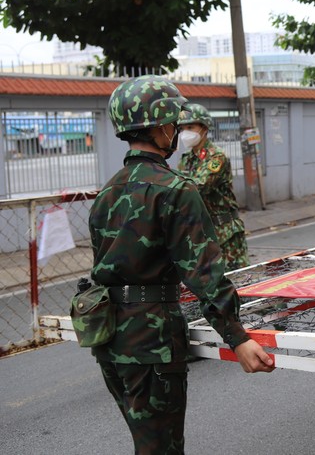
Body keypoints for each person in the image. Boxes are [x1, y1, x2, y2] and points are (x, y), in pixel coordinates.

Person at [88, 76, 274, 454]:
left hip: (107, 338)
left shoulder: (106, 193)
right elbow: (204, 273)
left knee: (147, 443)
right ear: (159, 128)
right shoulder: (175, 188)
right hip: (151, 340)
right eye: (174, 123)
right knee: (162, 449)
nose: (177, 131)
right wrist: (237, 338)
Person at [177, 103, 250, 271]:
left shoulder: (216, 157)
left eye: (190, 126)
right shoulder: (186, 159)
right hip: (202, 230)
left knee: (236, 279)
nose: (185, 133)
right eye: (182, 128)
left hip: (225, 232)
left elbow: (197, 187)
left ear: (204, 128)